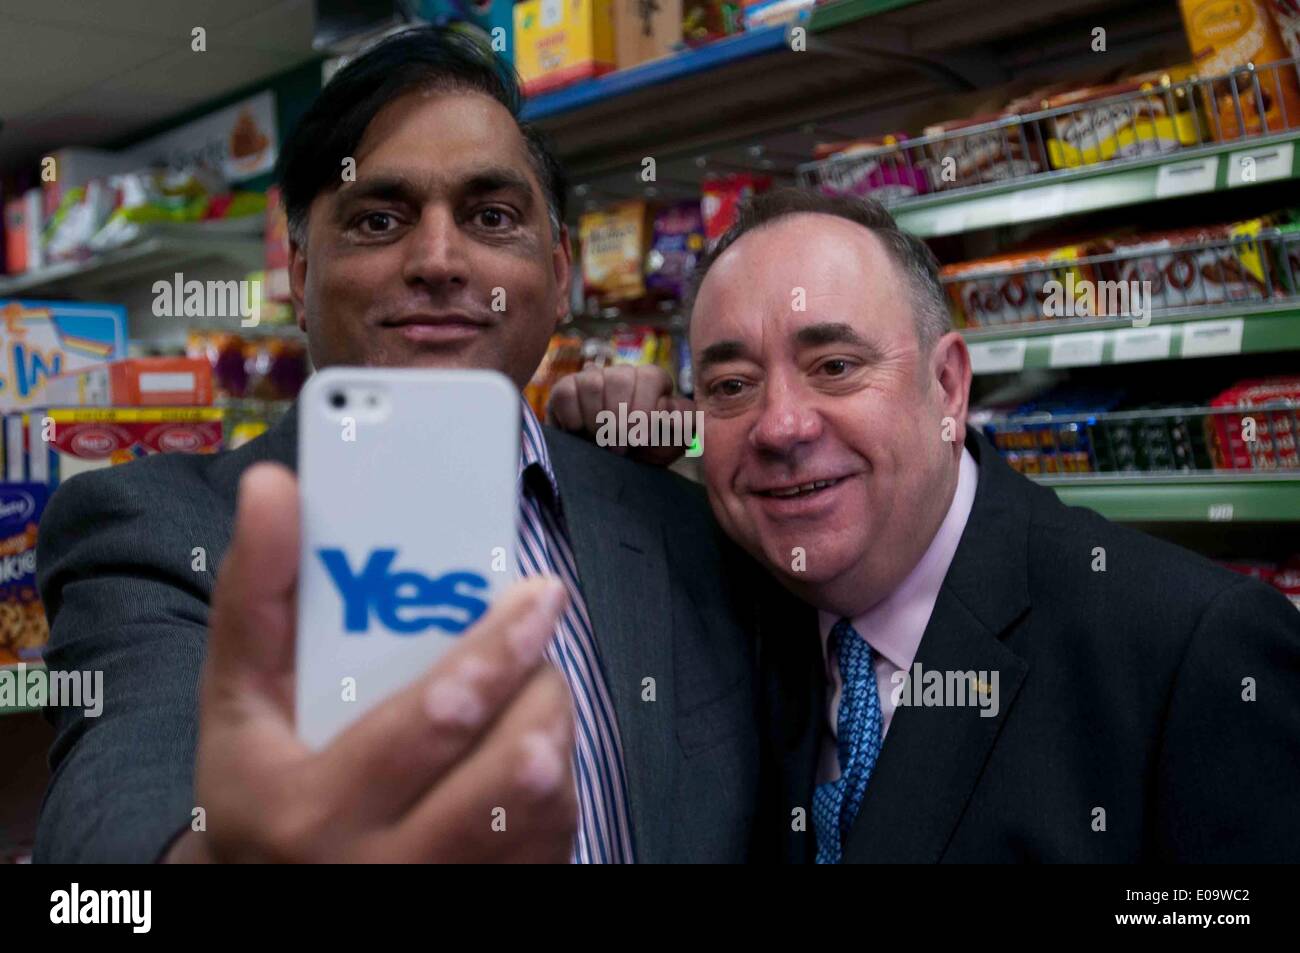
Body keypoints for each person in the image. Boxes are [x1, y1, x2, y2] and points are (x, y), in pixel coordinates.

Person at [35, 28, 771, 864]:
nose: (439, 259)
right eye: (379, 220)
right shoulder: (154, 532)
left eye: (492, 217)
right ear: (300, 278)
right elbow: (111, 812)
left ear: (560, 273)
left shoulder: (680, 522)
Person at [550, 188, 1300, 863]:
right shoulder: (738, 615)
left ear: (946, 387)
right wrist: (613, 446)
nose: (780, 425)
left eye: (836, 366)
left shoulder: (1188, 645)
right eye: (732, 384)